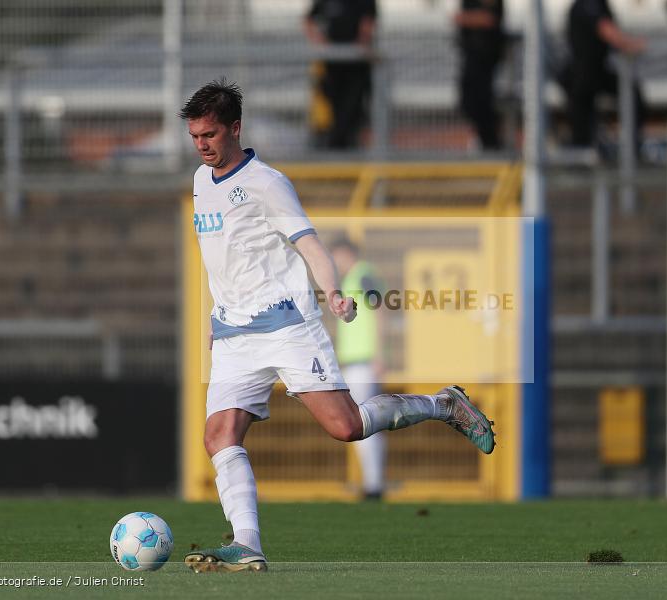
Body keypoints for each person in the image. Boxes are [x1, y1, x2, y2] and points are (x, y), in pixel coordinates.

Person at [179, 79, 496, 573]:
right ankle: (247, 543)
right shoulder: (201, 182)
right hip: (234, 333)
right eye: (195, 135)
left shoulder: (267, 182)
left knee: (345, 427)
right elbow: (223, 260)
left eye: (210, 134)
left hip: (286, 325)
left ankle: (442, 404)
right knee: (219, 435)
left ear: (235, 128)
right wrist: (214, 320)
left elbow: (310, 245)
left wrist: (331, 292)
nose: (201, 144)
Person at [329, 238, 387, 500]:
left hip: (364, 362)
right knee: (363, 422)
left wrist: (378, 354)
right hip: (355, 362)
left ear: (346, 253)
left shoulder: (363, 275)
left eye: (336, 256)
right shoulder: (353, 279)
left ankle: (374, 485)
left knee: (363, 422)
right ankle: (372, 482)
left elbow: (381, 311)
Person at [565, 0, 648, 148]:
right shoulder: (589, 4)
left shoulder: (600, 4)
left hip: (597, 70)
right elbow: (605, 29)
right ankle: (582, 151)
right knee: (582, 114)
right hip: (583, 72)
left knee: (632, 92)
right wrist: (630, 44)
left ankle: (631, 147)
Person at [304, 0, 377, 149]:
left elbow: (368, 23)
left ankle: (345, 151)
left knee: (352, 114)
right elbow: (308, 20)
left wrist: (359, 48)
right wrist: (322, 44)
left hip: (356, 69)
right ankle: (337, 151)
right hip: (332, 69)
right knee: (334, 116)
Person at [454, 0, 505, 150]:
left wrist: (466, 18)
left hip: (485, 57)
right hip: (471, 56)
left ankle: (490, 142)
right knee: (468, 100)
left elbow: (489, 18)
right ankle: (482, 138)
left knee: (482, 101)